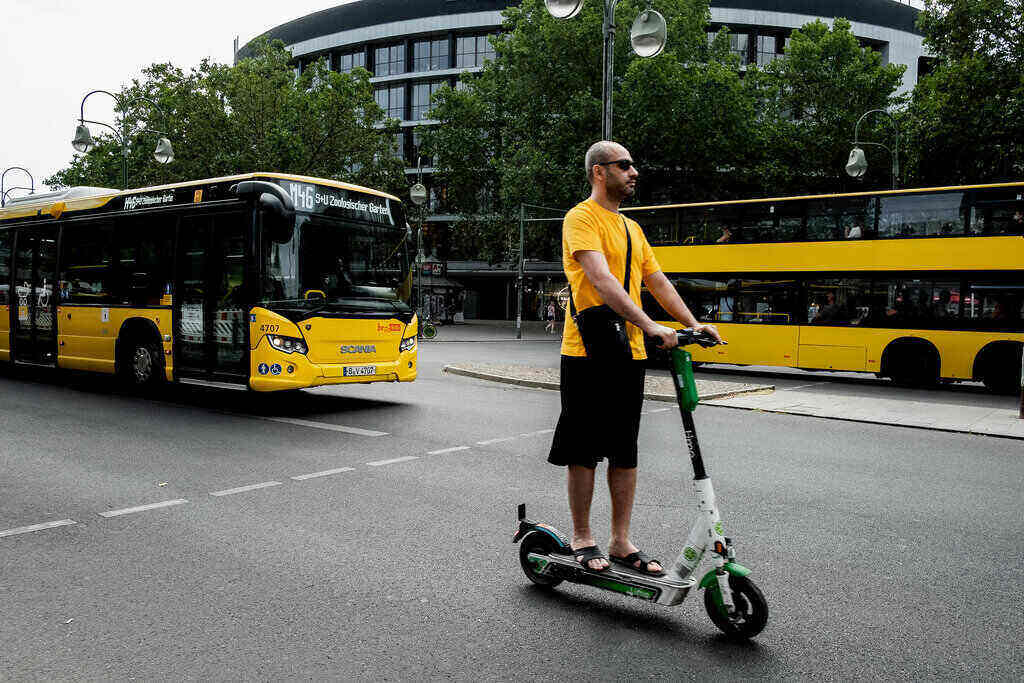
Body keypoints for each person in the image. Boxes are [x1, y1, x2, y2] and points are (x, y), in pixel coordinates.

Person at [548, 140, 721, 575]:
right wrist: (650, 325)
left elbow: (657, 281)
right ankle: (583, 537)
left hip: (628, 351)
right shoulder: (581, 217)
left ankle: (621, 540)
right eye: (624, 165)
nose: (634, 172)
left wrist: (693, 324)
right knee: (584, 448)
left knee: (624, 449)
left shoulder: (632, 228)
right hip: (587, 350)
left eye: (633, 165)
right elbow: (601, 280)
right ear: (599, 171)